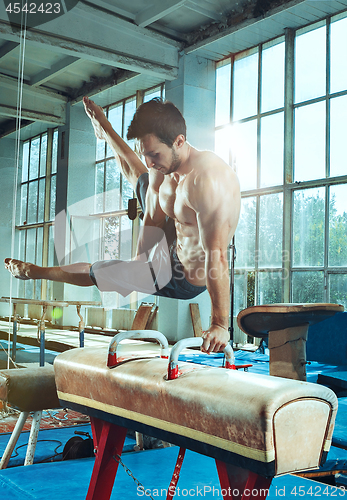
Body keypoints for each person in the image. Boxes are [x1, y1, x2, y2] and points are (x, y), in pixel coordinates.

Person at [4, 97, 240, 353]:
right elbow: (152, 218)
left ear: (179, 141)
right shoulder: (162, 167)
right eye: (145, 154)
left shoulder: (209, 181)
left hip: (188, 276)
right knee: (144, 181)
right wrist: (139, 264)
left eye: (154, 155)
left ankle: (35, 272)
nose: (150, 162)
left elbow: (217, 256)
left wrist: (219, 324)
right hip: (176, 239)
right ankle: (104, 127)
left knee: (106, 272)